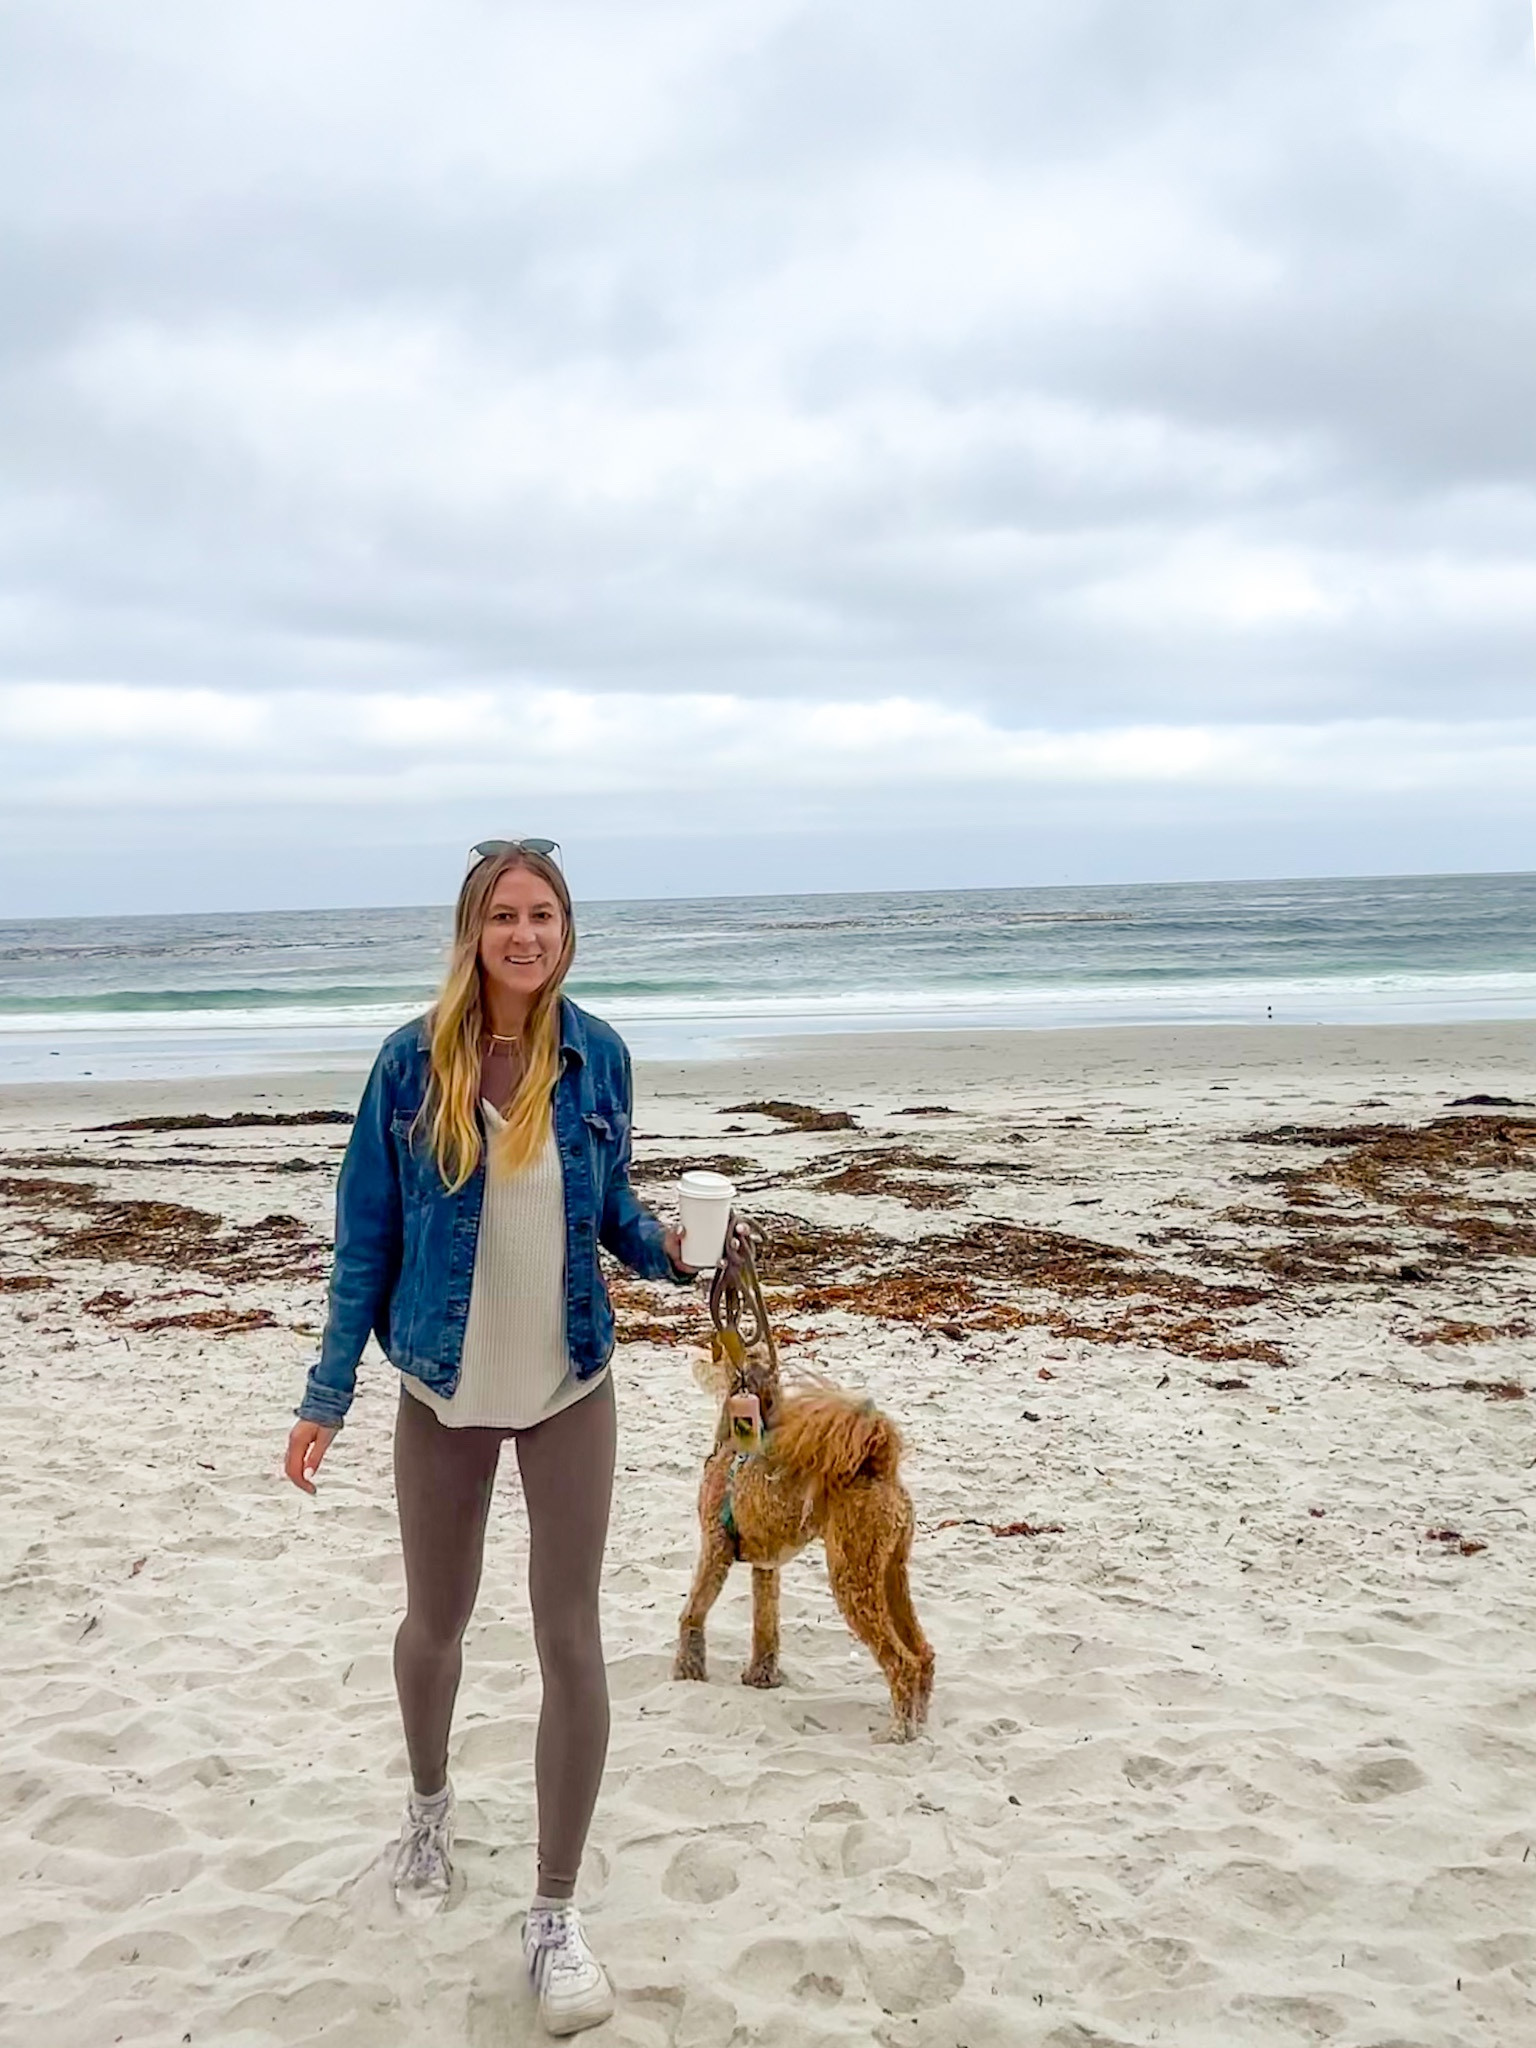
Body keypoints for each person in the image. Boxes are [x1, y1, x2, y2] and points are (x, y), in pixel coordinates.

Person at [283, 838, 696, 2037]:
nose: (526, 933)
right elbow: (365, 1237)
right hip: (441, 1391)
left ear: (569, 931)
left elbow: (610, 1205)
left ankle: (555, 1913)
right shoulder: (412, 1064)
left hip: (572, 1380)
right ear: (474, 930)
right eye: (505, 915)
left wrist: (670, 1246)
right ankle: (426, 1807)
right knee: (436, 1622)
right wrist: (326, 1393)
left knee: (574, 1638)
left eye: (545, 914)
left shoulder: (599, 1054)